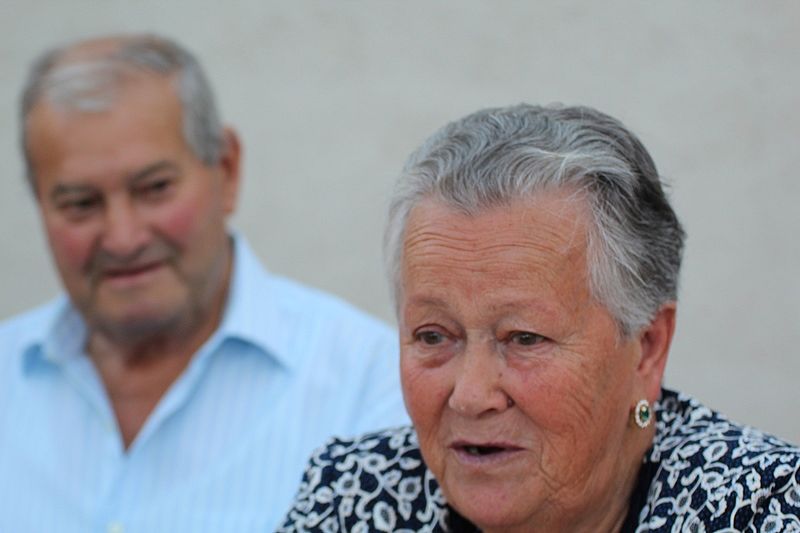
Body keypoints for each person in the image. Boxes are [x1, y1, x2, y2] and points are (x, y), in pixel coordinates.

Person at [278, 104, 800, 532]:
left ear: (646, 348)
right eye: (434, 335)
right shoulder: (351, 498)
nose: (471, 396)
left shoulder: (761, 508)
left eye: (524, 338)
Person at [0, 34, 408, 532]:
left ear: (227, 170)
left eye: (154, 189)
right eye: (81, 204)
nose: (123, 239)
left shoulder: (370, 390)